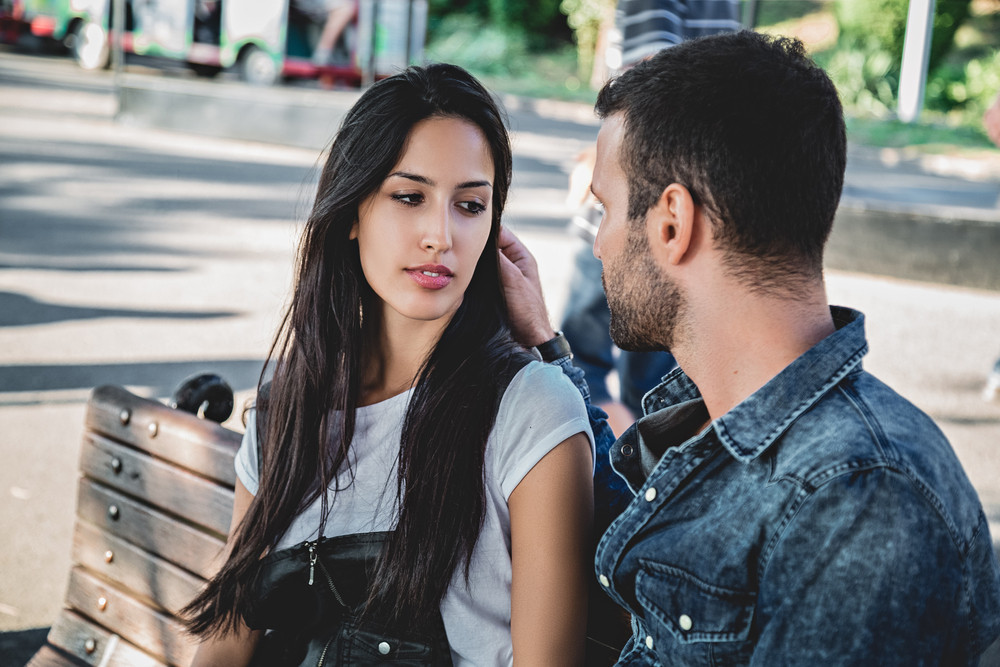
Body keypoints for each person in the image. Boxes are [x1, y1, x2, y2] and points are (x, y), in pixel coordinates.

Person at [499, 31, 1000, 663]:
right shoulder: (742, 424)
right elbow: (639, 535)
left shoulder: (859, 503)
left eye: (605, 209)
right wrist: (547, 347)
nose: (598, 243)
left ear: (672, 224)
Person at [183, 63, 595, 666]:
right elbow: (226, 643)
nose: (440, 235)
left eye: (470, 205)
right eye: (409, 196)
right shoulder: (289, 406)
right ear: (351, 211)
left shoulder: (531, 412)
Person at [561, 0, 742, 435]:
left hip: (642, 213)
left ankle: (624, 469)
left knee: (583, 368)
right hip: (679, 215)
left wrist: (607, 158)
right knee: (656, 381)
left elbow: (652, 78)